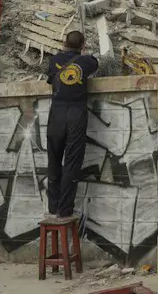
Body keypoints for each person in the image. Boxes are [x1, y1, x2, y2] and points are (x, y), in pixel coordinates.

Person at [45, 30, 98, 222]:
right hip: (75, 113)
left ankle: (53, 207)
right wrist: (83, 54)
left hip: (56, 113)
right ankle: (65, 210)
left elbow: (50, 78)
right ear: (82, 45)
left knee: (53, 160)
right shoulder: (87, 61)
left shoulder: (54, 60)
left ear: (65, 43)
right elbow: (95, 64)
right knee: (72, 163)